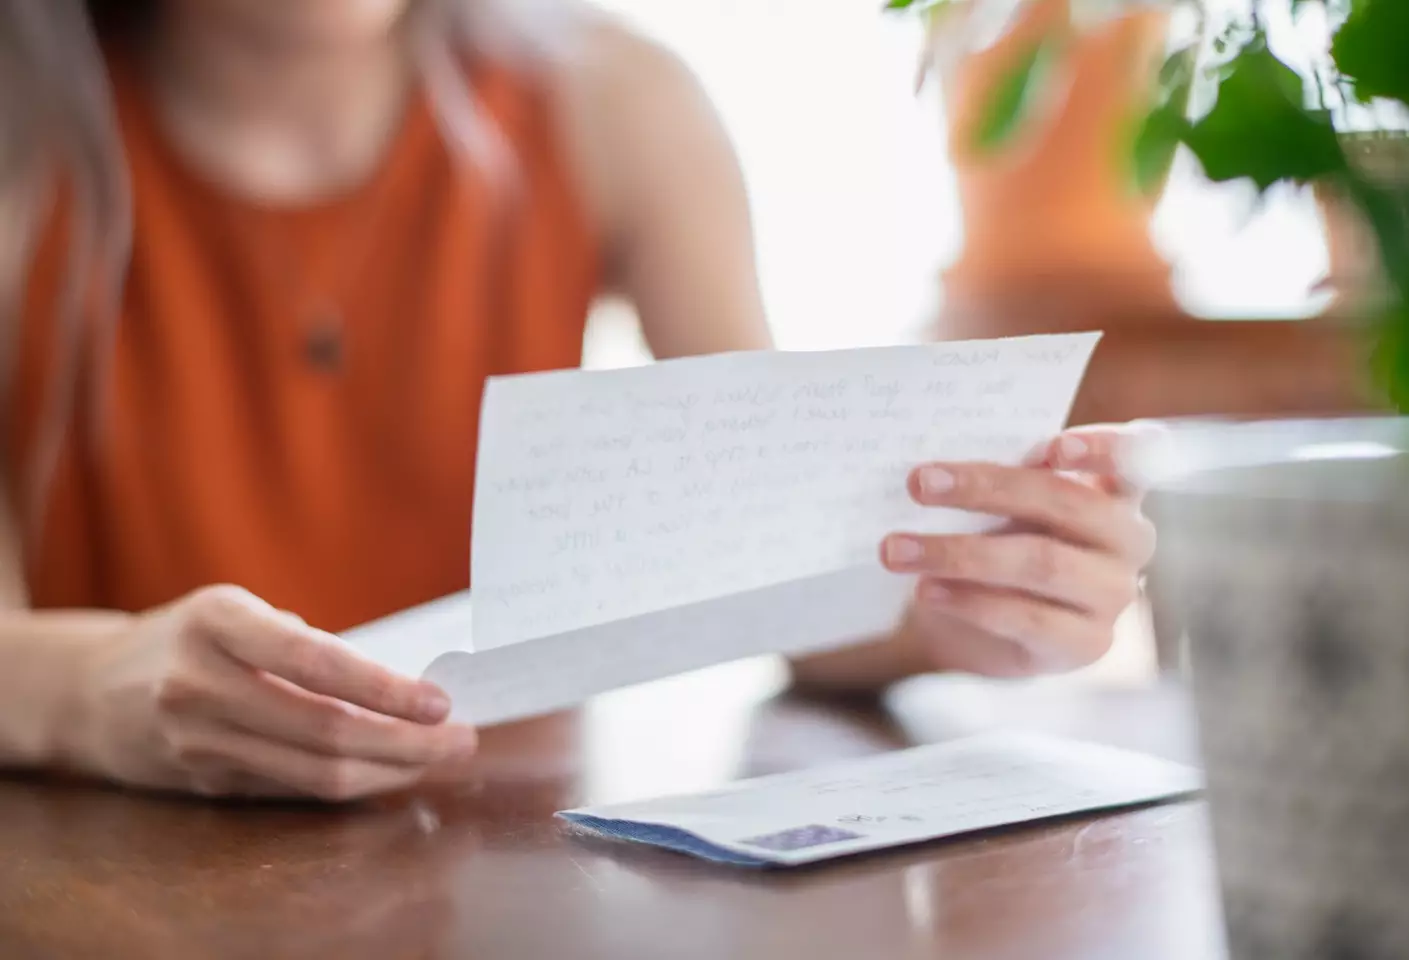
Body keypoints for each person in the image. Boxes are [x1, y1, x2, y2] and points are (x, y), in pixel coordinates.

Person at [0, 0, 1156, 800]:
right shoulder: (29, 153)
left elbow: (782, 583)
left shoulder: (613, 104)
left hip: (505, 869)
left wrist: (958, 600)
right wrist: (93, 695)